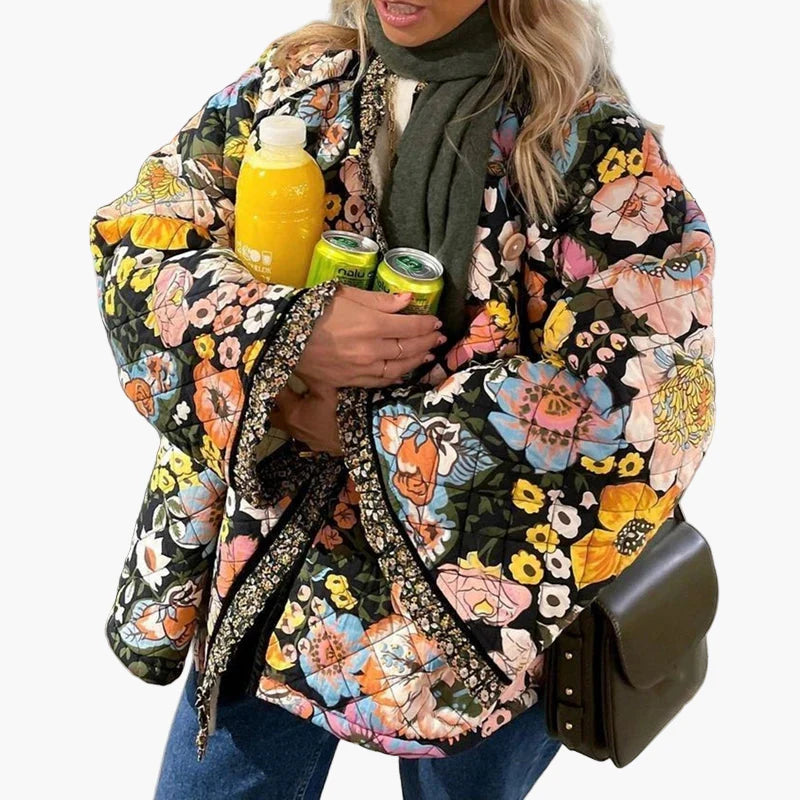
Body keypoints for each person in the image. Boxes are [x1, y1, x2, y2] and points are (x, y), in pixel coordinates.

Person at [89, 1, 716, 798]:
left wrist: (357, 428)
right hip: (278, 551)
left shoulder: (591, 147)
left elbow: (648, 402)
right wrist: (288, 337)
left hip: (480, 597)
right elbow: (142, 236)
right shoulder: (299, 84)